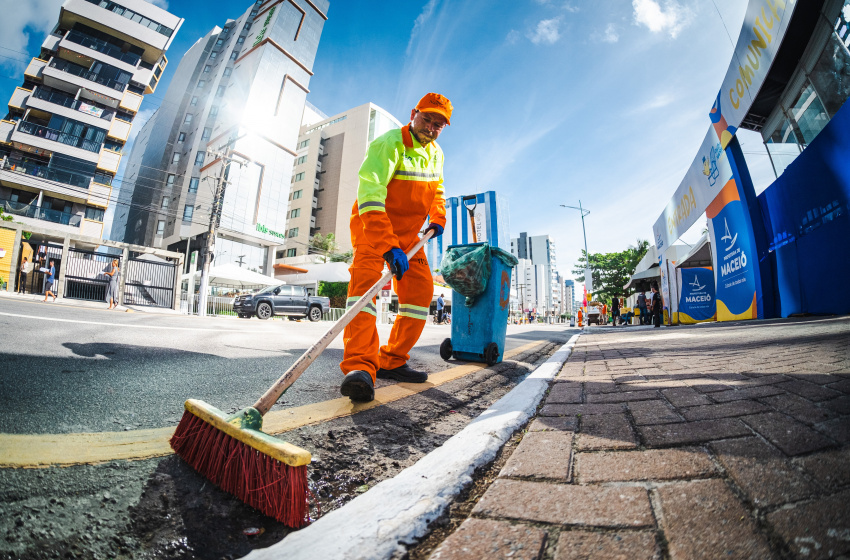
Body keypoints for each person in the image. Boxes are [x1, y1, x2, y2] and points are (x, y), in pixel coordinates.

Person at [339, 92, 452, 403]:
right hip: (372, 228)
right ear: (414, 113)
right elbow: (370, 194)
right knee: (364, 293)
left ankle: (392, 360)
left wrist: (438, 217)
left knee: (419, 293)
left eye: (439, 123)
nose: (431, 126)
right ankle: (360, 368)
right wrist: (387, 246)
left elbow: (437, 190)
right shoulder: (390, 143)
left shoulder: (437, 153)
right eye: (427, 118)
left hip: (410, 236)